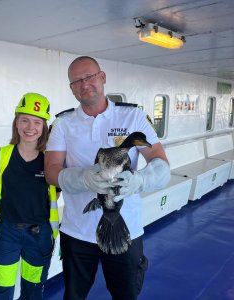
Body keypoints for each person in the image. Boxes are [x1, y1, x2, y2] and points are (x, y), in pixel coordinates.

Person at [44, 56, 171, 300]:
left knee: (126, 295)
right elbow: (51, 170)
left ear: (102, 77)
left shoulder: (132, 117)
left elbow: (160, 161)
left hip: (126, 230)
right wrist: (82, 178)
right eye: (77, 81)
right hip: (77, 232)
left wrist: (140, 180)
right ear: (71, 88)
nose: (85, 84)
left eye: (90, 77)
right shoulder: (62, 123)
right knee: (73, 296)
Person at [0, 93, 59, 299]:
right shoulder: (0, 155)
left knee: (33, 290)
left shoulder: (50, 160)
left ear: (43, 127)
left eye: (37, 122)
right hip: (6, 233)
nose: (30, 127)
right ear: (16, 123)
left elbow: (56, 194)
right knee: (1, 290)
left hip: (39, 234)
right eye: (24, 120)